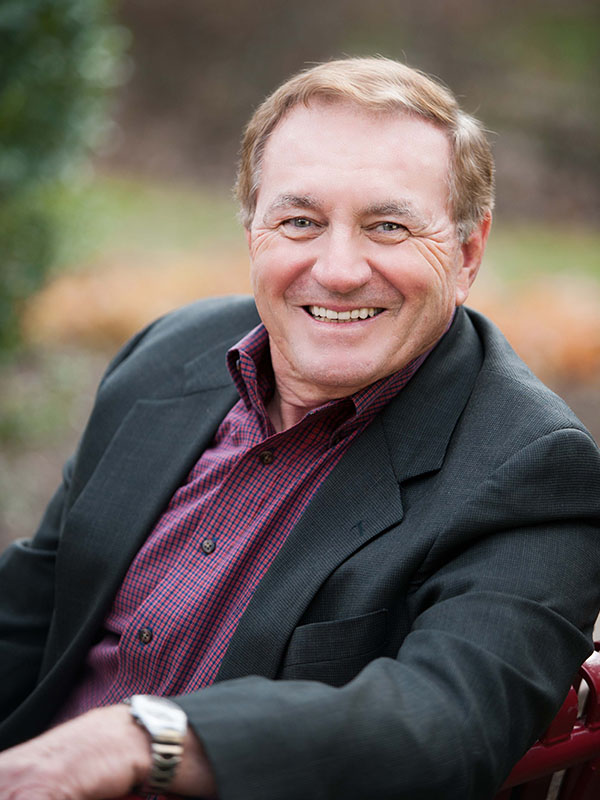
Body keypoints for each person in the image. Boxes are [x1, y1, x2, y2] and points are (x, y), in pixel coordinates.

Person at [0, 56, 599, 800]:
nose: (339, 270)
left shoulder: (534, 469)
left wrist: (138, 740)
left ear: (467, 252)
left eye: (388, 226)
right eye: (300, 222)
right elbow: (29, 609)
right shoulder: (166, 356)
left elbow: (444, 723)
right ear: (254, 232)